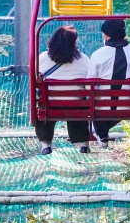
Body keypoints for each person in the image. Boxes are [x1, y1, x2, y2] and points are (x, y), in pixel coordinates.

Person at [88, 17, 130, 148]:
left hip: (101, 108)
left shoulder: (97, 54)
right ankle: (101, 131)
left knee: (96, 98)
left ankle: (101, 132)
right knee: (117, 102)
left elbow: (89, 82)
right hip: (129, 105)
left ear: (107, 36)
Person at [35, 26, 92, 154]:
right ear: (74, 42)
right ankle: (82, 144)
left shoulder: (42, 58)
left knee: (42, 106)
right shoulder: (83, 59)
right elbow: (89, 84)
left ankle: (45, 144)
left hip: (50, 105)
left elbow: (35, 79)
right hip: (77, 105)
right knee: (79, 105)